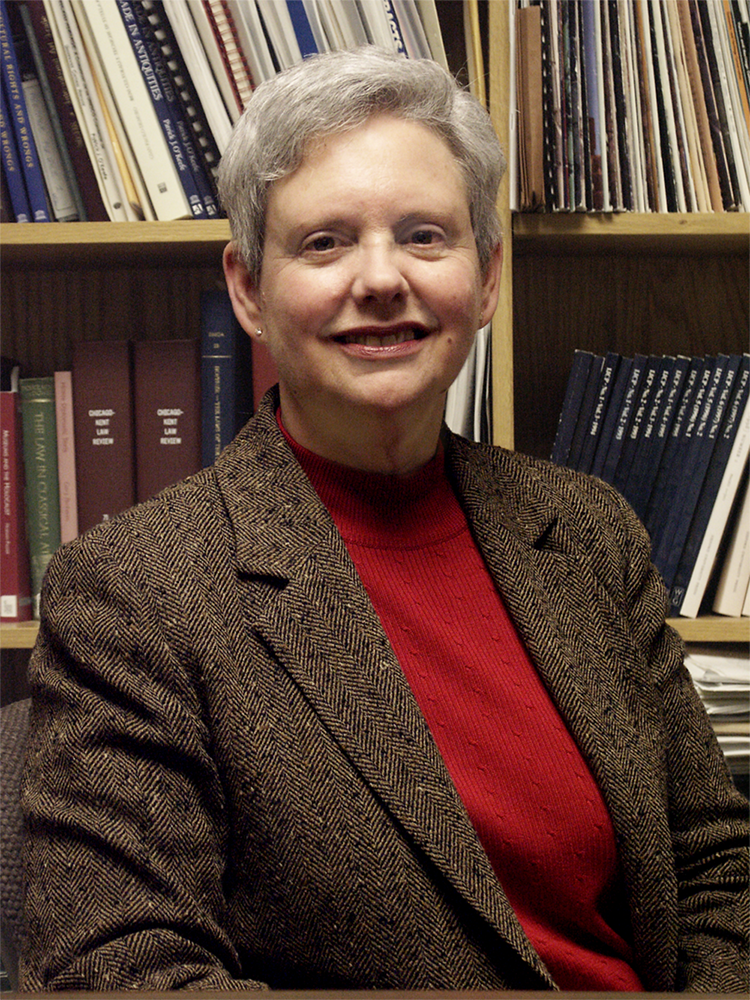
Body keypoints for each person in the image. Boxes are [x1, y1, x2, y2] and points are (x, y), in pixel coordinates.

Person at [21, 46, 750, 992]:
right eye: (325, 242)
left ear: (487, 278)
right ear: (248, 289)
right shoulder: (136, 591)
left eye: (424, 236)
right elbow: (120, 969)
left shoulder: (587, 533)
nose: (380, 278)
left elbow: (717, 869)